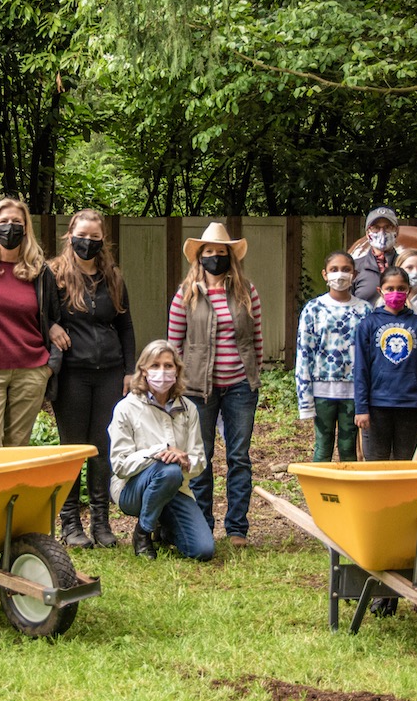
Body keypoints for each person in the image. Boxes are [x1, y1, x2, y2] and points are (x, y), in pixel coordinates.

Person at [167, 222, 262, 547]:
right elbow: (174, 345)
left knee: (239, 457)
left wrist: (254, 375)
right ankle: (203, 526)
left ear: (230, 257)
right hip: (197, 389)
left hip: (240, 386)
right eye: (209, 252)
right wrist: (175, 386)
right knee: (200, 457)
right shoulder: (186, 294)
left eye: (221, 252)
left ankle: (237, 528)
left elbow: (257, 338)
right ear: (200, 257)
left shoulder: (247, 291)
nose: (215, 257)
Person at [48, 209, 136, 549]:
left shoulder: (112, 276)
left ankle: (101, 523)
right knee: (72, 449)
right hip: (72, 373)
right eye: (82, 236)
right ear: (70, 235)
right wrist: (51, 327)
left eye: (94, 238)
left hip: (110, 373)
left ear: (103, 240)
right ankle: (70, 523)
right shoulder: (54, 275)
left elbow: (125, 325)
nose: (87, 242)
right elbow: (39, 315)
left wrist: (130, 370)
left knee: (102, 448)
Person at [0, 198, 69, 448]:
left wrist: (50, 366)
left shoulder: (40, 271)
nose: (10, 227)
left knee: (17, 446)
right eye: (4, 221)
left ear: (26, 227)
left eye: (17, 222)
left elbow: (54, 318)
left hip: (31, 370)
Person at [109, 340, 214, 561]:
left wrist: (184, 460)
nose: (162, 372)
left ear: (177, 370)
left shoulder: (189, 409)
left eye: (168, 366)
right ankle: (143, 532)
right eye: (155, 366)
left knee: (203, 550)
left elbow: (199, 461)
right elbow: (120, 465)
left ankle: (164, 527)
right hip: (132, 490)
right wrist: (160, 452)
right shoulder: (126, 408)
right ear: (143, 371)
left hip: (175, 489)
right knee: (169, 470)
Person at [354, 266, 417, 462]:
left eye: (401, 288)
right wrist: (361, 408)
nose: (395, 293)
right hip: (377, 406)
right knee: (376, 463)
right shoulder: (368, 325)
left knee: (409, 462)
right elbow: (361, 370)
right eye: (390, 289)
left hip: (412, 406)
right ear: (380, 291)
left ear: (408, 290)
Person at [296, 251, 372, 462]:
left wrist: (368, 395)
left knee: (349, 447)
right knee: (323, 446)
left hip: (354, 392)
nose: (340, 274)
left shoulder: (365, 310)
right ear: (325, 274)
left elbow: (370, 356)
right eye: (334, 269)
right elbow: (304, 354)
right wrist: (305, 398)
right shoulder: (313, 309)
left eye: (346, 269)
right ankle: (318, 484)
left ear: (354, 274)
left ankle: (348, 484)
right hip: (322, 392)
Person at [352, 206, 401, 302]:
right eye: (376, 228)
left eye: (388, 227)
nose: (382, 232)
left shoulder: (406, 265)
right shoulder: (355, 267)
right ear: (367, 233)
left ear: (396, 231)